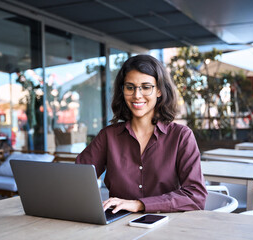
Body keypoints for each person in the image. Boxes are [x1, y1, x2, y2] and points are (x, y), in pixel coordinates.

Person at [76, 55, 207, 213]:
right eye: (130, 87)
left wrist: (139, 204)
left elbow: (195, 196)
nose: (137, 95)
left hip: (166, 226)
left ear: (159, 90)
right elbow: (77, 180)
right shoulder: (108, 136)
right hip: (118, 228)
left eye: (146, 87)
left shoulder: (181, 136)